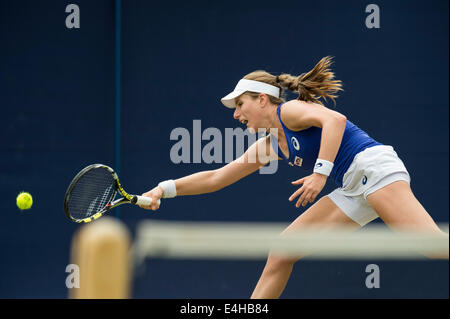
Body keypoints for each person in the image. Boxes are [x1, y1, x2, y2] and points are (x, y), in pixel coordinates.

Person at [140, 56, 448, 299]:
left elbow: (335, 120)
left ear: (262, 100)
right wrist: (163, 189)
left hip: (372, 168)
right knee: (283, 251)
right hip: (353, 186)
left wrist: (319, 173)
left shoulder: (289, 111)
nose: (236, 115)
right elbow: (216, 178)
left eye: (240, 104)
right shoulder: (270, 145)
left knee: (433, 246)